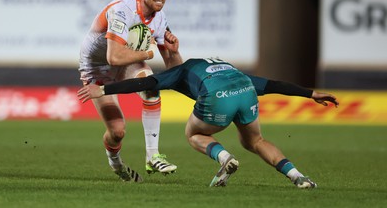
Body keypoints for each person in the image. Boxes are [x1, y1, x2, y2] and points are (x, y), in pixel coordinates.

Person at [77, 57, 339, 188]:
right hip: (244, 90)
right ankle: (298, 177)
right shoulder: (217, 64)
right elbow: (272, 85)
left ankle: (224, 157)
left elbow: (146, 83)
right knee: (255, 140)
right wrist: (310, 93)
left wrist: (105, 90)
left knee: (193, 135)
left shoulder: (180, 71)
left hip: (217, 98)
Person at [78, 0, 183, 182]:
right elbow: (114, 57)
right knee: (117, 131)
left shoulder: (160, 18)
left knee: (151, 85)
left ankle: (152, 155)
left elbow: (175, 71)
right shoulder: (122, 11)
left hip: (129, 60)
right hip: (98, 67)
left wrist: (174, 52)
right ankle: (116, 163)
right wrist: (148, 53)